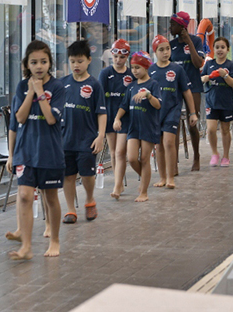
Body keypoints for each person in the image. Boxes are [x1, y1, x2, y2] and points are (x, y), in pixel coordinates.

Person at [6, 41, 66, 260]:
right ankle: (27, 247)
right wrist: (30, 92)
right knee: (24, 196)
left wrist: (40, 92)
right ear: (27, 65)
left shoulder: (57, 87)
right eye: (34, 62)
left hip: (49, 151)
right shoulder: (22, 86)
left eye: (43, 61)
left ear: (50, 63)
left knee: (50, 198)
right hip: (26, 151)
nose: (39, 66)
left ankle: (55, 240)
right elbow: (19, 118)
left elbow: (51, 118)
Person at [60, 40, 106, 224]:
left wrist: (101, 136)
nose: (76, 65)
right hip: (65, 140)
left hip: (87, 139)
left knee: (87, 175)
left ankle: (89, 200)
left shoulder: (95, 85)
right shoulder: (62, 84)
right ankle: (70, 210)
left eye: (80, 61)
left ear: (88, 60)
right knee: (68, 176)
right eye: (72, 61)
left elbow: (101, 112)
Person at [114, 51, 162, 202]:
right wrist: (117, 118)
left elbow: (158, 105)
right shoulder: (132, 86)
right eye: (133, 67)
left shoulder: (153, 85)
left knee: (145, 158)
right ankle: (145, 178)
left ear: (146, 67)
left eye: (137, 67)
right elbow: (124, 106)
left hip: (148, 126)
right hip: (133, 127)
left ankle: (144, 192)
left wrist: (148, 95)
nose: (134, 71)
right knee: (132, 158)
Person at [149, 35, 196, 187]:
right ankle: (162, 178)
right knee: (159, 146)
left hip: (172, 110)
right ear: (155, 52)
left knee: (169, 142)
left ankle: (170, 177)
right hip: (156, 113)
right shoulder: (151, 71)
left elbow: (187, 91)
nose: (165, 52)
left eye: (168, 49)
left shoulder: (177, 69)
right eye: (161, 50)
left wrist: (192, 113)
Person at [168, 11, 204, 171]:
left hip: (193, 86)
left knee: (192, 124)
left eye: (173, 24)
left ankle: (196, 156)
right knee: (174, 124)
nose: (170, 27)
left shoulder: (196, 41)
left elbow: (198, 63)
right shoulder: (171, 45)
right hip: (175, 88)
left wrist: (189, 41)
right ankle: (173, 162)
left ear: (182, 26)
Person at [99, 39, 132, 200]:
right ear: (111, 56)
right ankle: (118, 182)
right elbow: (100, 97)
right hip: (109, 115)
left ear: (127, 57)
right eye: (116, 57)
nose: (118, 60)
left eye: (122, 57)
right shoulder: (105, 73)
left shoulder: (130, 75)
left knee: (120, 151)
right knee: (113, 152)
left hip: (125, 117)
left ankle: (118, 184)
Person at [200, 37, 233, 164]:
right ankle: (214, 153)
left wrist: (225, 75)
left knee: (225, 130)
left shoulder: (231, 65)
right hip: (211, 101)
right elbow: (201, 78)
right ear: (213, 49)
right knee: (211, 129)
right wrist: (205, 78)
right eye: (217, 47)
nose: (220, 50)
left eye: (223, 47)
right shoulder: (209, 64)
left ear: (228, 49)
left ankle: (226, 156)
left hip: (226, 102)